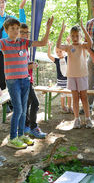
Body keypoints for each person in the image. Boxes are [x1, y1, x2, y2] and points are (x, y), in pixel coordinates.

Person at [0, 16, 53, 149]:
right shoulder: (4, 43)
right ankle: (13, 138)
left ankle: (22, 134)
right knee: (18, 109)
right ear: (6, 30)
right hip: (13, 81)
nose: (16, 31)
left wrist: (47, 28)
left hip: (25, 79)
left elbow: (42, 43)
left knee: (24, 110)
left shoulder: (23, 42)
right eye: (12, 29)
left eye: (17, 28)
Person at [57, 19, 93, 129]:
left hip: (82, 75)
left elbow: (90, 43)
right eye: (73, 36)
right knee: (75, 98)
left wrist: (83, 28)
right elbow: (58, 45)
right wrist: (62, 31)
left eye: (77, 36)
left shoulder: (82, 46)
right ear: (70, 36)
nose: (75, 38)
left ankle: (88, 118)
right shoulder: (69, 47)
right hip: (72, 76)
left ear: (80, 36)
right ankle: (77, 119)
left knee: (84, 97)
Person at [0, 0, 27, 113]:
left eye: (2, 2)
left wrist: (21, 8)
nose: (1, 4)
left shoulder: (10, 19)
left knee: (9, 79)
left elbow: (22, 24)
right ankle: (4, 102)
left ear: (5, 4)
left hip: (11, 53)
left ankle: (10, 102)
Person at [20, 23, 47, 139]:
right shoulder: (17, 45)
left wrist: (30, 64)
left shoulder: (25, 45)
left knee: (27, 103)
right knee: (35, 103)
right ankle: (32, 127)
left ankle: (26, 126)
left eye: (27, 33)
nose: (25, 35)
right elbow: (17, 66)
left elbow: (42, 43)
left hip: (27, 79)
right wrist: (28, 67)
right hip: (21, 80)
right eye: (22, 32)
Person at [47, 41, 72, 113]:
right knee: (62, 94)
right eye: (57, 52)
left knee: (69, 94)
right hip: (60, 81)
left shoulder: (67, 58)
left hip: (68, 80)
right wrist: (49, 47)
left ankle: (70, 107)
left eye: (60, 51)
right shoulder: (57, 60)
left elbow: (70, 51)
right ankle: (63, 107)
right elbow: (49, 56)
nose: (58, 53)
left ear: (64, 51)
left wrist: (68, 43)